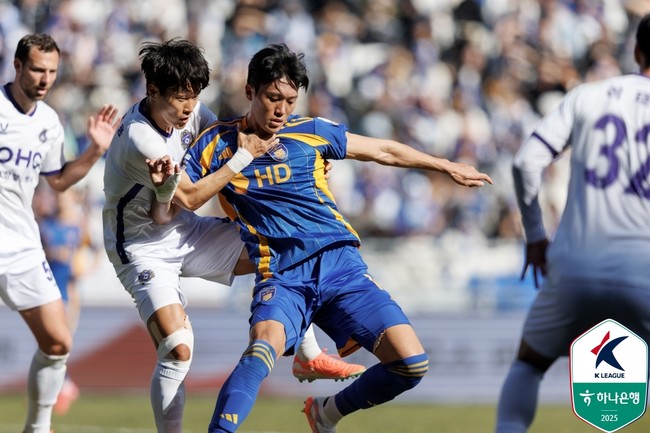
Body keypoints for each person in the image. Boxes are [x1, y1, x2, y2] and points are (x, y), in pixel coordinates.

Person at [148, 42, 492, 433]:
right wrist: (231, 163)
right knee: (259, 351)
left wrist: (444, 165)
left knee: (411, 363)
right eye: (272, 98)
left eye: (290, 101)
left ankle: (326, 413)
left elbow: (382, 150)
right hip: (282, 274)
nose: (281, 110)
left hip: (340, 266)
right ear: (250, 91)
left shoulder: (310, 131)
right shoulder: (216, 143)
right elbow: (185, 198)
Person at [101, 38, 364, 433]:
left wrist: (304, 162)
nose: (189, 107)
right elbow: (192, 195)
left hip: (183, 229)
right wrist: (244, 158)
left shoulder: (192, 114)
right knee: (177, 349)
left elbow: (229, 141)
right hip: (141, 247)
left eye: (194, 96)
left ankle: (306, 354)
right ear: (153, 91)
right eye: (180, 98)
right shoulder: (141, 138)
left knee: (281, 242)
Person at [493, 14, 650, 433]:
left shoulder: (588, 96)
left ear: (637, 50)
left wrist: (535, 237)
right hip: (646, 268)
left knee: (529, 364)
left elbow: (526, 162)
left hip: (576, 263)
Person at [0, 33, 118, 433]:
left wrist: (95, 149)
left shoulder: (49, 122)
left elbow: (59, 181)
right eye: (37, 69)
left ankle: (37, 427)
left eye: (52, 71)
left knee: (58, 342)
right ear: (17, 66)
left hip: (21, 246)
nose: (45, 79)